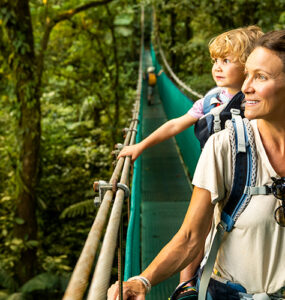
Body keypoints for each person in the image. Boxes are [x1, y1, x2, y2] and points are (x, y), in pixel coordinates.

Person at [108, 29, 285, 300]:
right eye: (247, 74)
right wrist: (143, 280)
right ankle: (186, 287)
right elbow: (191, 236)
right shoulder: (223, 138)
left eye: (260, 77)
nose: (247, 87)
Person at [118, 26, 263, 164]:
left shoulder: (261, 102)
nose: (217, 67)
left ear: (248, 65)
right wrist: (140, 146)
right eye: (215, 61)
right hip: (215, 176)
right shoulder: (209, 103)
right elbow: (174, 125)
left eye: (226, 61)